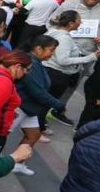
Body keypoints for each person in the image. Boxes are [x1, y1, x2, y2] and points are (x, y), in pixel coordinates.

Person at [44, 10, 100, 126]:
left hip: (49, 70)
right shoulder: (64, 38)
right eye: (79, 21)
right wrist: (90, 57)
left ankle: (39, 123)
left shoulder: (53, 32)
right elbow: (63, 60)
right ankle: (38, 126)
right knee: (46, 102)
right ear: (71, 24)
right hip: (57, 74)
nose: (81, 23)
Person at [15, 36, 65, 167]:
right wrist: (58, 104)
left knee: (34, 135)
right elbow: (37, 91)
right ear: (38, 49)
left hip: (29, 108)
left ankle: (18, 164)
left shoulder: (37, 63)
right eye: (51, 50)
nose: (52, 54)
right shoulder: (31, 64)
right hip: (20, 107)